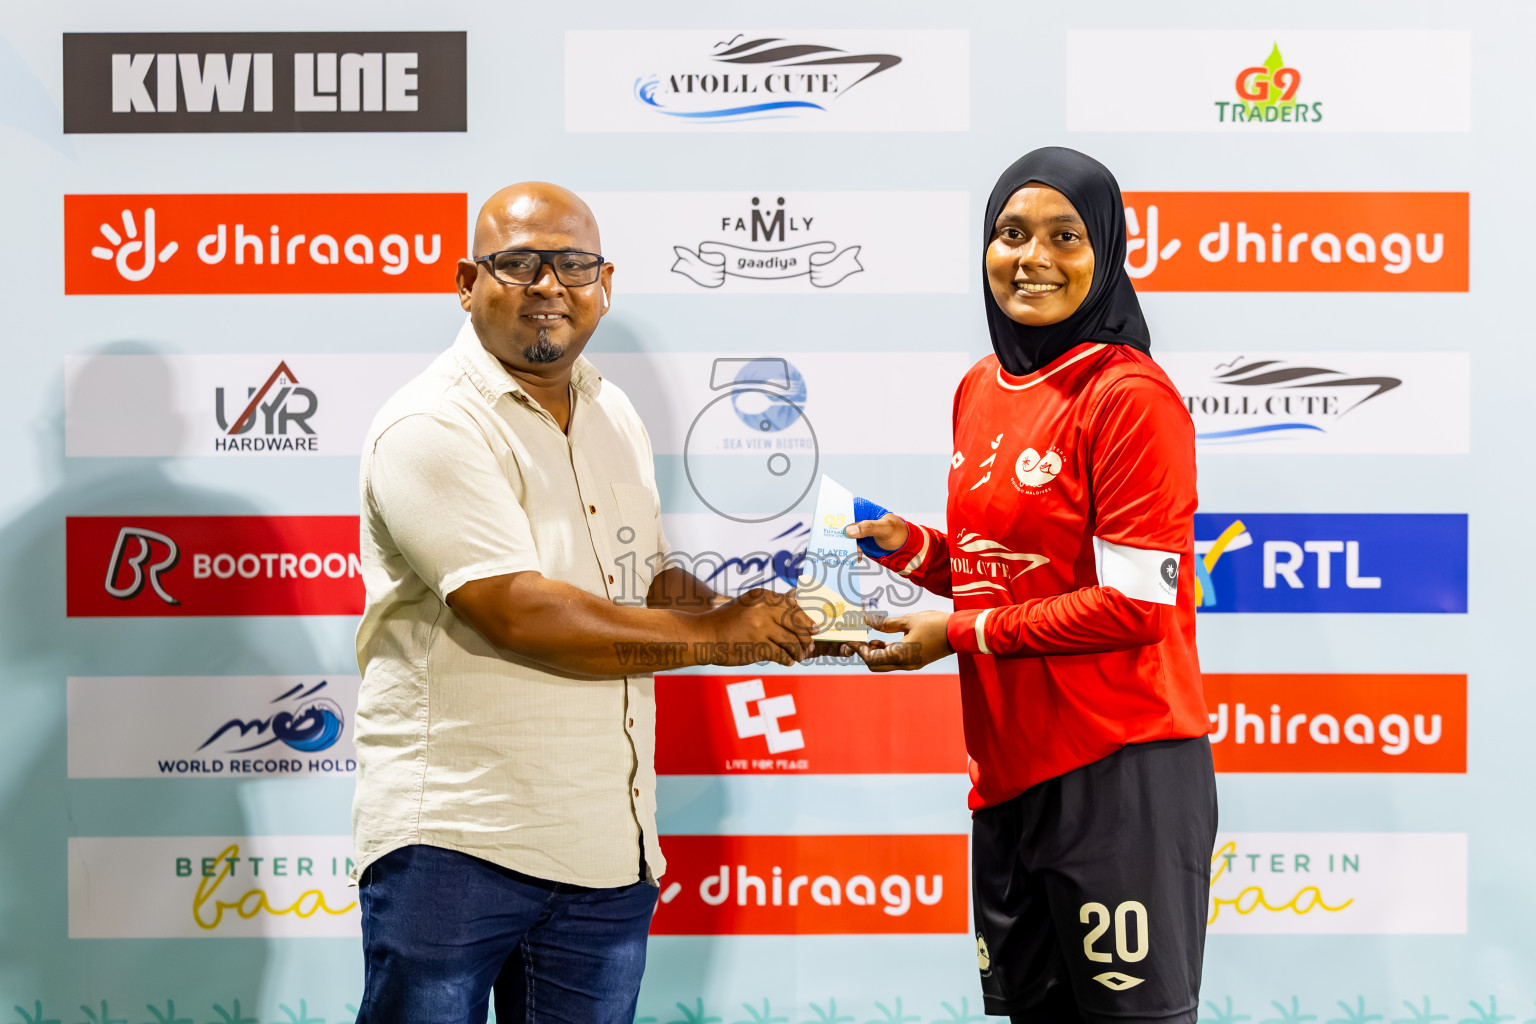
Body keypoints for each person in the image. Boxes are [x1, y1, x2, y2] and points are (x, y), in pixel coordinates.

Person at [350, 182, 815, 1024]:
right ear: (465, 281)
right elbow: (518, 610)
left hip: (605, 848)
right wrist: (716, 636)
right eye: (518, 263)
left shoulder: (612, 410)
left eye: (572, 264)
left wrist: (762, 618)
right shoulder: (430, 423)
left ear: (605, 282)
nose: (548, 285)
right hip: (459, 842)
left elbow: (646, 585)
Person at [841, 148, 1217, 1024]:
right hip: (1008, 775)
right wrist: (913, 548)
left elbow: (1131, 606)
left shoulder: (1129, 397)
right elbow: (1004, 572)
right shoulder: (981, 386)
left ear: (1108, 254)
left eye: (1064, 237)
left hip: (1118, 767)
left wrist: (955, 636)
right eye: (1011, 234)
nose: (1032, 258)